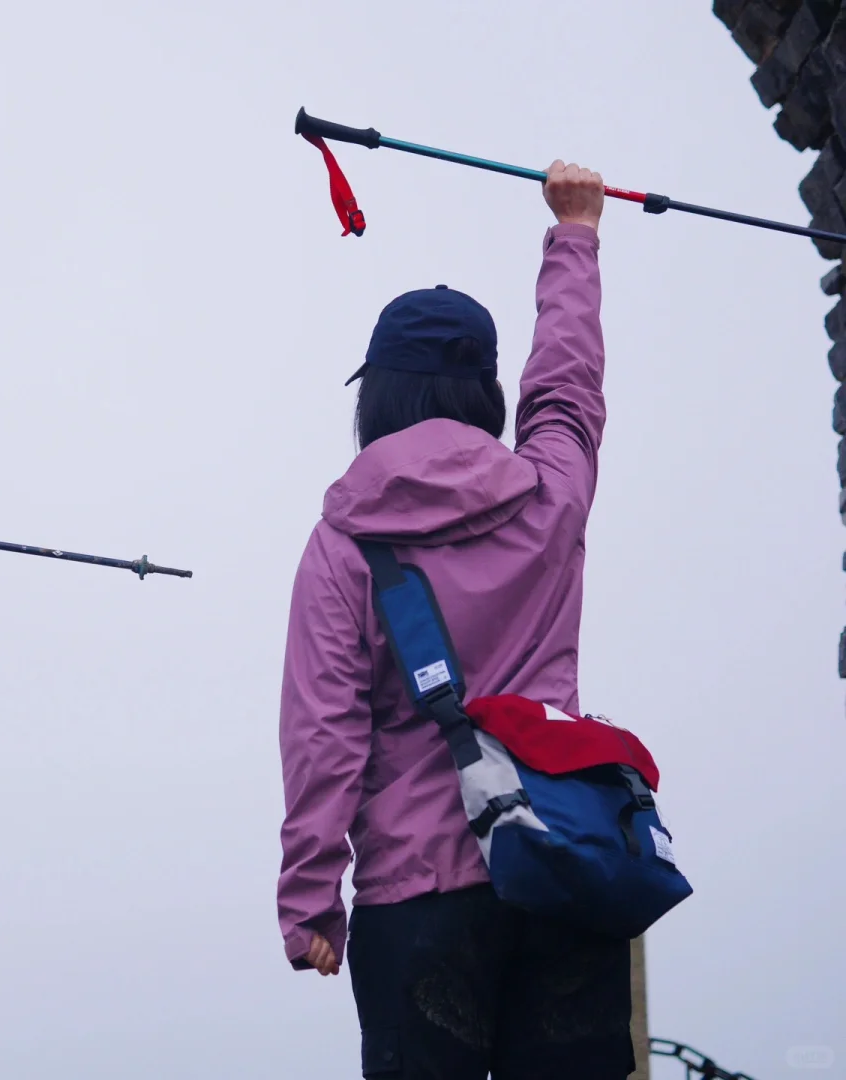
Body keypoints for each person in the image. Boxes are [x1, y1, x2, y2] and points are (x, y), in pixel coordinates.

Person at [276, 162, 631, 1079]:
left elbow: (324, 735)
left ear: (377, 398)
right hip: (561, 871)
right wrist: (575, 234)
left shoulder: (343, 545)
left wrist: (311, 899)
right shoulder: (551, 493)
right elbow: (567, 387)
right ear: (486, 394)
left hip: (417, 897)